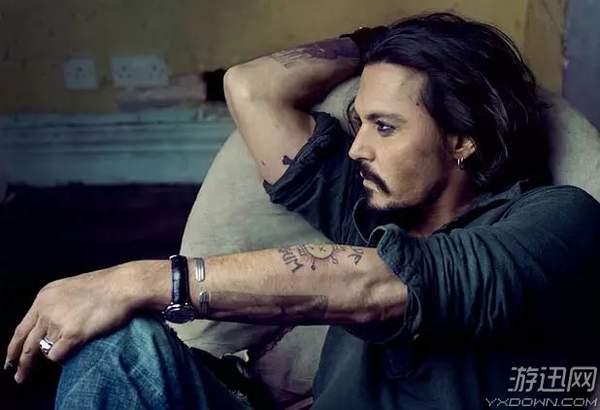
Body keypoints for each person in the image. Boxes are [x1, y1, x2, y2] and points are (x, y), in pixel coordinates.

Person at [4, 12, 600, 409]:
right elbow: (252, 88)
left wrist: (144, 280)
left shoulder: (558, 222)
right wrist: (385, 42)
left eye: (385, 126)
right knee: (123, 346)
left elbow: (384, 284)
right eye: (359, 122)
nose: (358, 148)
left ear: (463, 138)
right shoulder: (367, 207)